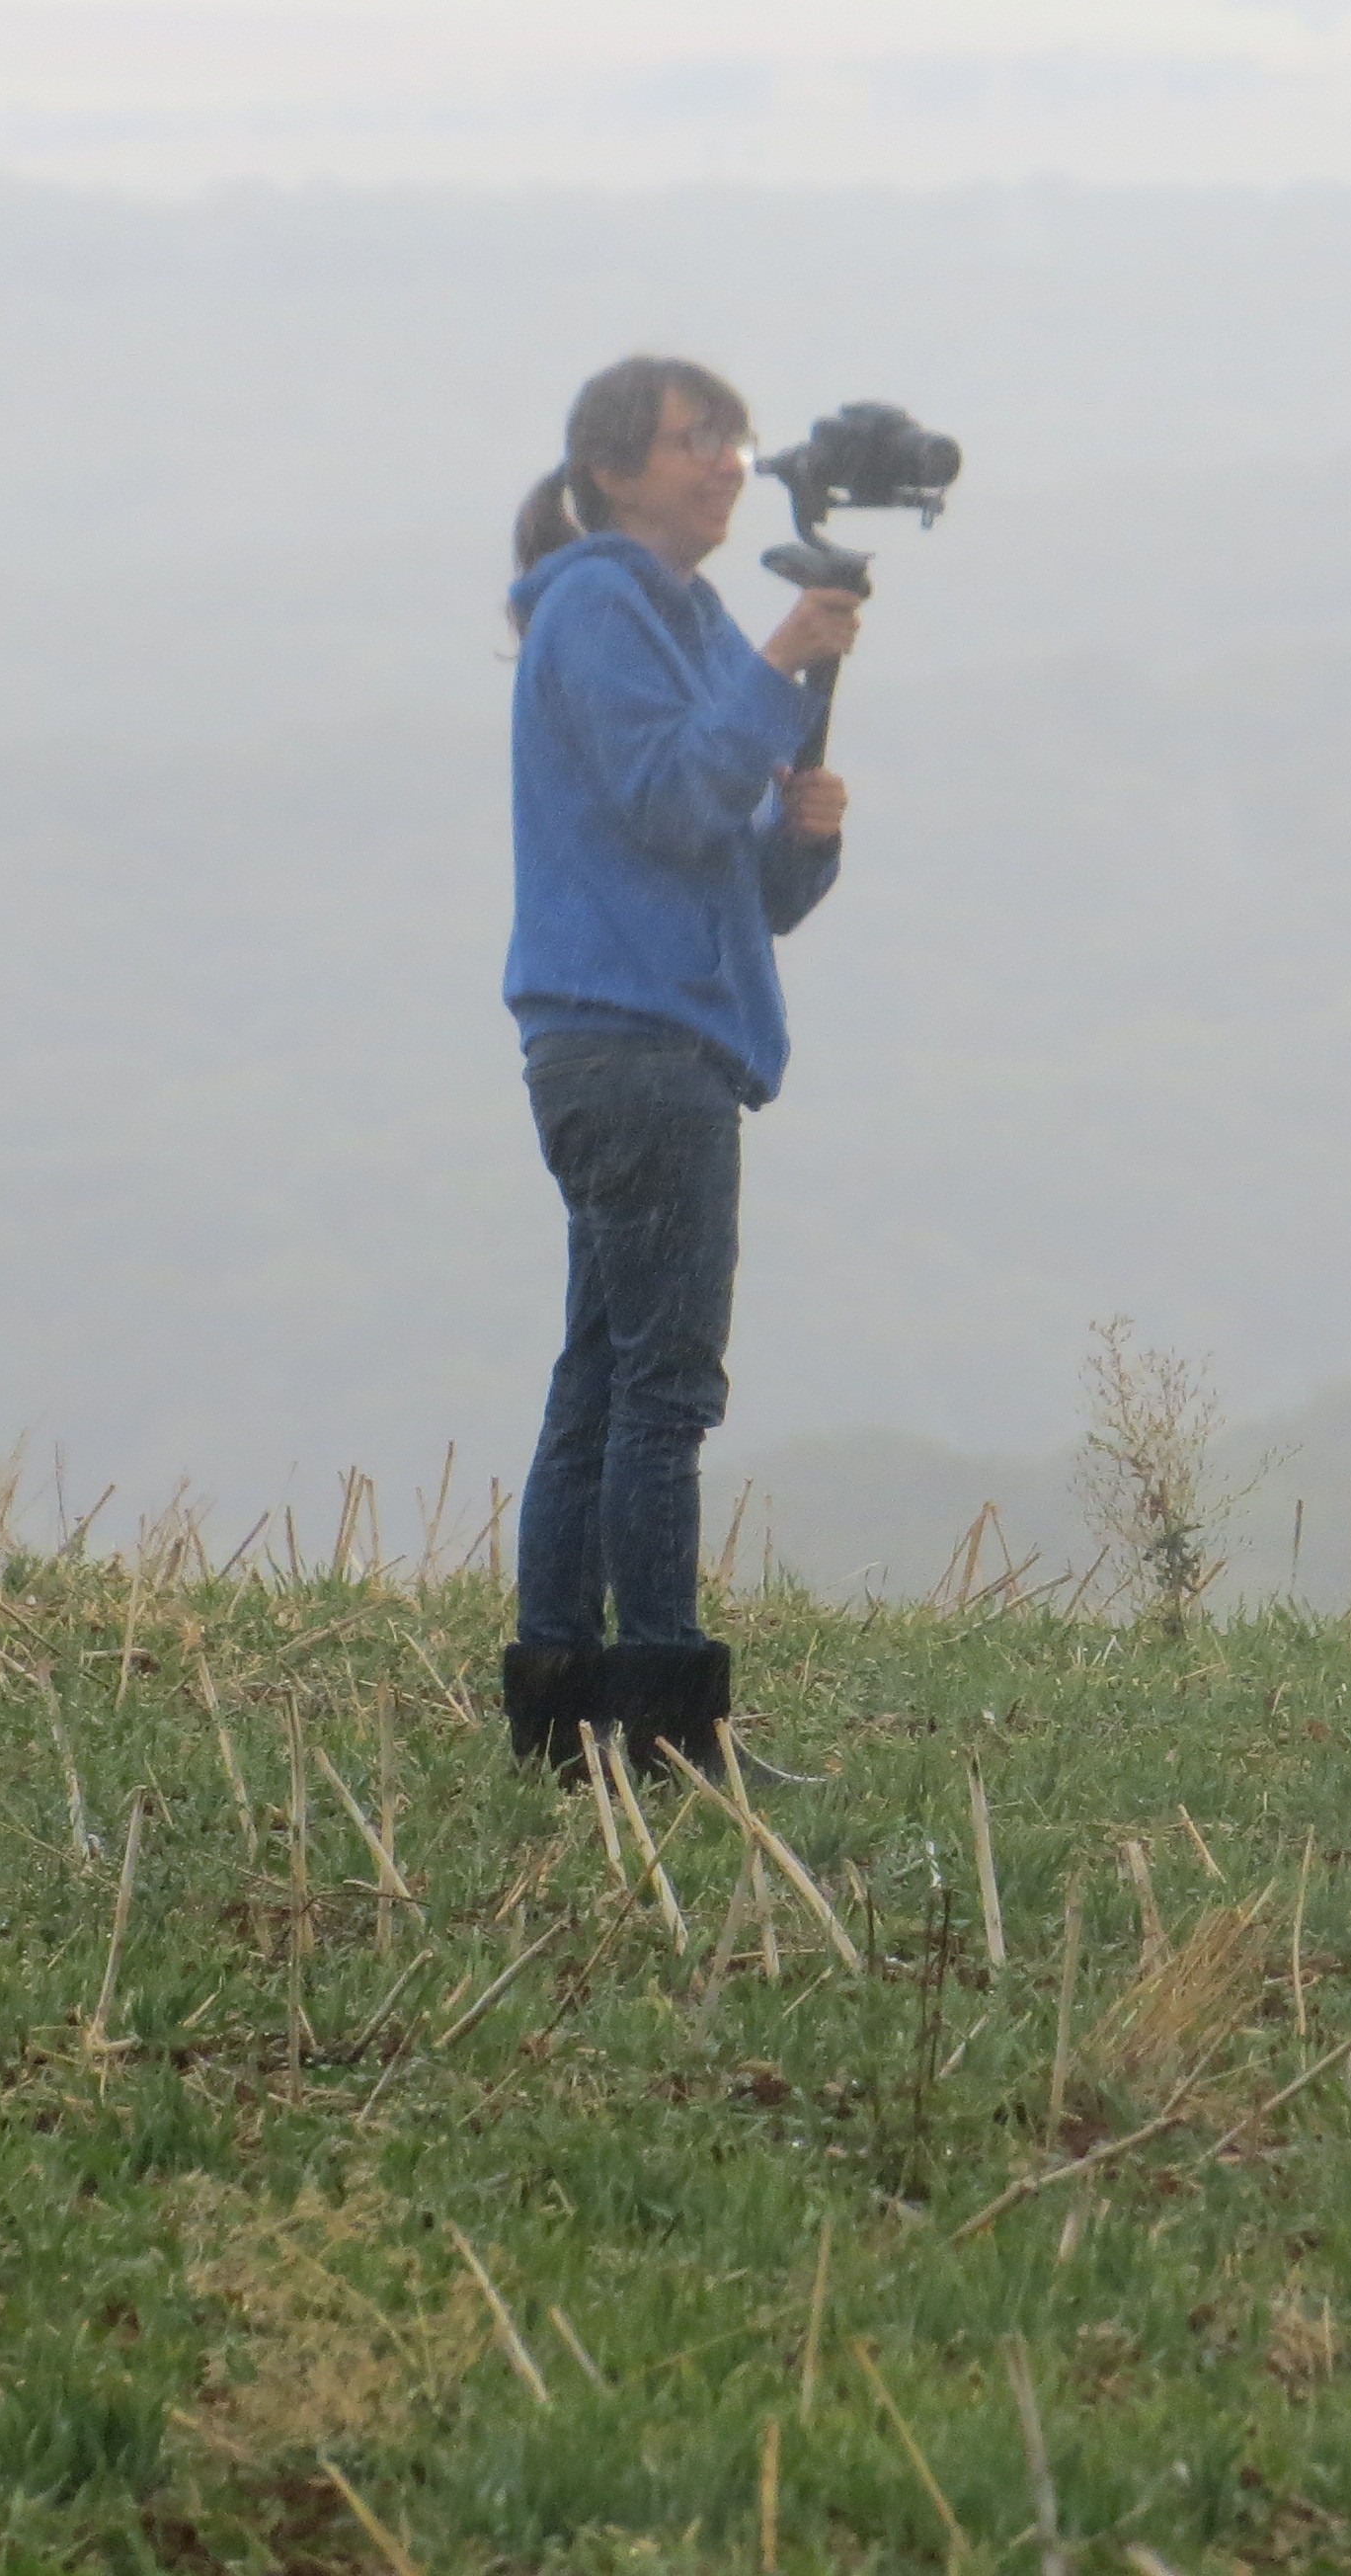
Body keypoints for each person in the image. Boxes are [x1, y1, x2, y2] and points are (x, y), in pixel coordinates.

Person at [499, 356, 858, 1781]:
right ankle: (663, 1724)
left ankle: (560, 1710)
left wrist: (809, 836)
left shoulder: (687, 618)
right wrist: (782, 670)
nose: (722, 464)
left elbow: (744, 880)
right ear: (613, 471)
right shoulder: (599, 604)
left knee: (600, 1378)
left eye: (731, 441)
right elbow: (664, 793)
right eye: (690, 442)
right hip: (636, 1044)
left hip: (647, 1032)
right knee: (665, 1393)